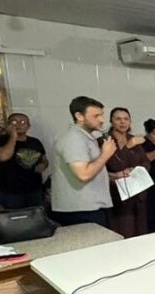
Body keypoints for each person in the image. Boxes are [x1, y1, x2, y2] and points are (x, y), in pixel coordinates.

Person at [50, 96, 116, 226]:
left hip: (89, 207)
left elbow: (90, 167)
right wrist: (105, 154)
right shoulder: (73, 139)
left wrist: (111, 176)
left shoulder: (85, 137)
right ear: (79, 116)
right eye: (96, 116)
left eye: (102, 115)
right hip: (80, 210)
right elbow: (83, 174)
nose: (102, 120)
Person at [104, 108, 150, 238]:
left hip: (138, 191)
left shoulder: (133, 139)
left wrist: (137, 170)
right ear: (111, 121)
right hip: (119, 194)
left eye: (126, 119)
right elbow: (115, 165)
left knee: (141, 232)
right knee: (125, 232)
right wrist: (128, 146)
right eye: (118, 119)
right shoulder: (105, 141)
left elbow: (146, 162)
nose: (122, 122)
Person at [0, 112, 48, 209]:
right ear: (8, 125)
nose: (18, 125)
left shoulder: (35, 142)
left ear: (28, 126)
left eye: (22, 122)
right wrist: (13, 136)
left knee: (36, 215)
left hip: (34, 189)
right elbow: (3, 157)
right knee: (15, 216)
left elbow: (44, 159)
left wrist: (43, 165)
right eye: (14, 122)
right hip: (9, 191)